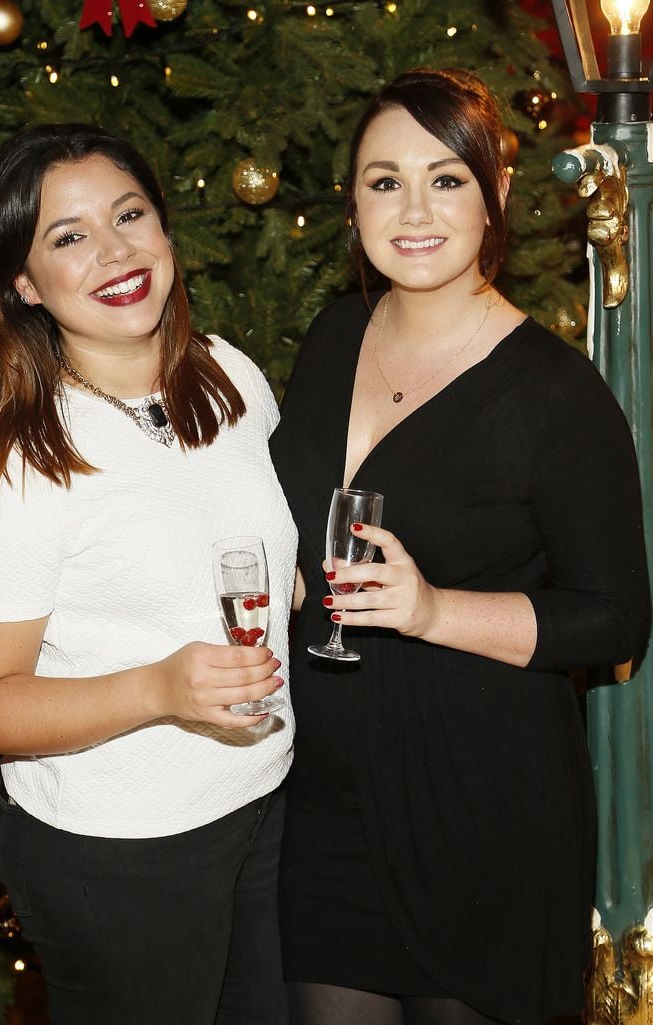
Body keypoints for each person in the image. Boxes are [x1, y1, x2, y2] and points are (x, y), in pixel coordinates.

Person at [269, 68, 651, 1025]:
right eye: (383, 180)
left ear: (497, 196)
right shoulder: (331, 336)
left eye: (446, 179)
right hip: (322, 809)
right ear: (351, 202)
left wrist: (432, 609)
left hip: (479, 811)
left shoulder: (556, 396)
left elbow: (613, 617)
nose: (414, 209)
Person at [0, 123, 297, 1025]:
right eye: (69, 237)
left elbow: (241, 549)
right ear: (23, 283)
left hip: (262, 802)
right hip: (119, 851)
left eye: (129, 214)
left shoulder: (228, 376)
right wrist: (157, 686)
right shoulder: (13, 464)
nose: (115, 251)